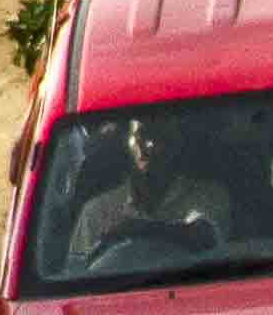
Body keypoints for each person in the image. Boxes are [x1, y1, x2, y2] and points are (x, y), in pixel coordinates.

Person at [63, 111, 236, 266]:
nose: (151, 145)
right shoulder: (97, 212)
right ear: (127, 142)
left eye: (162, 137)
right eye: (142, 136)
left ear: (178, 144)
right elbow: (78, 275)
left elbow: (207, 238)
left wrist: (137, 230)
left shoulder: (209, 196)